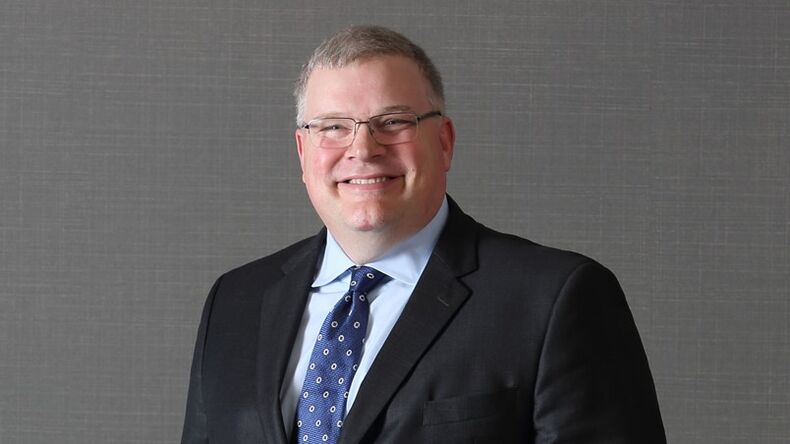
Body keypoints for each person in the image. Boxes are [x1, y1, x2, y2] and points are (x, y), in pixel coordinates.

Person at [181, 25, 666, 443]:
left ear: (444, 142)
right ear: (303, 152)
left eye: (393, 122)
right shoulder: (236, 301)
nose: (363, 149)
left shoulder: (554, 299)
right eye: (333, 127)